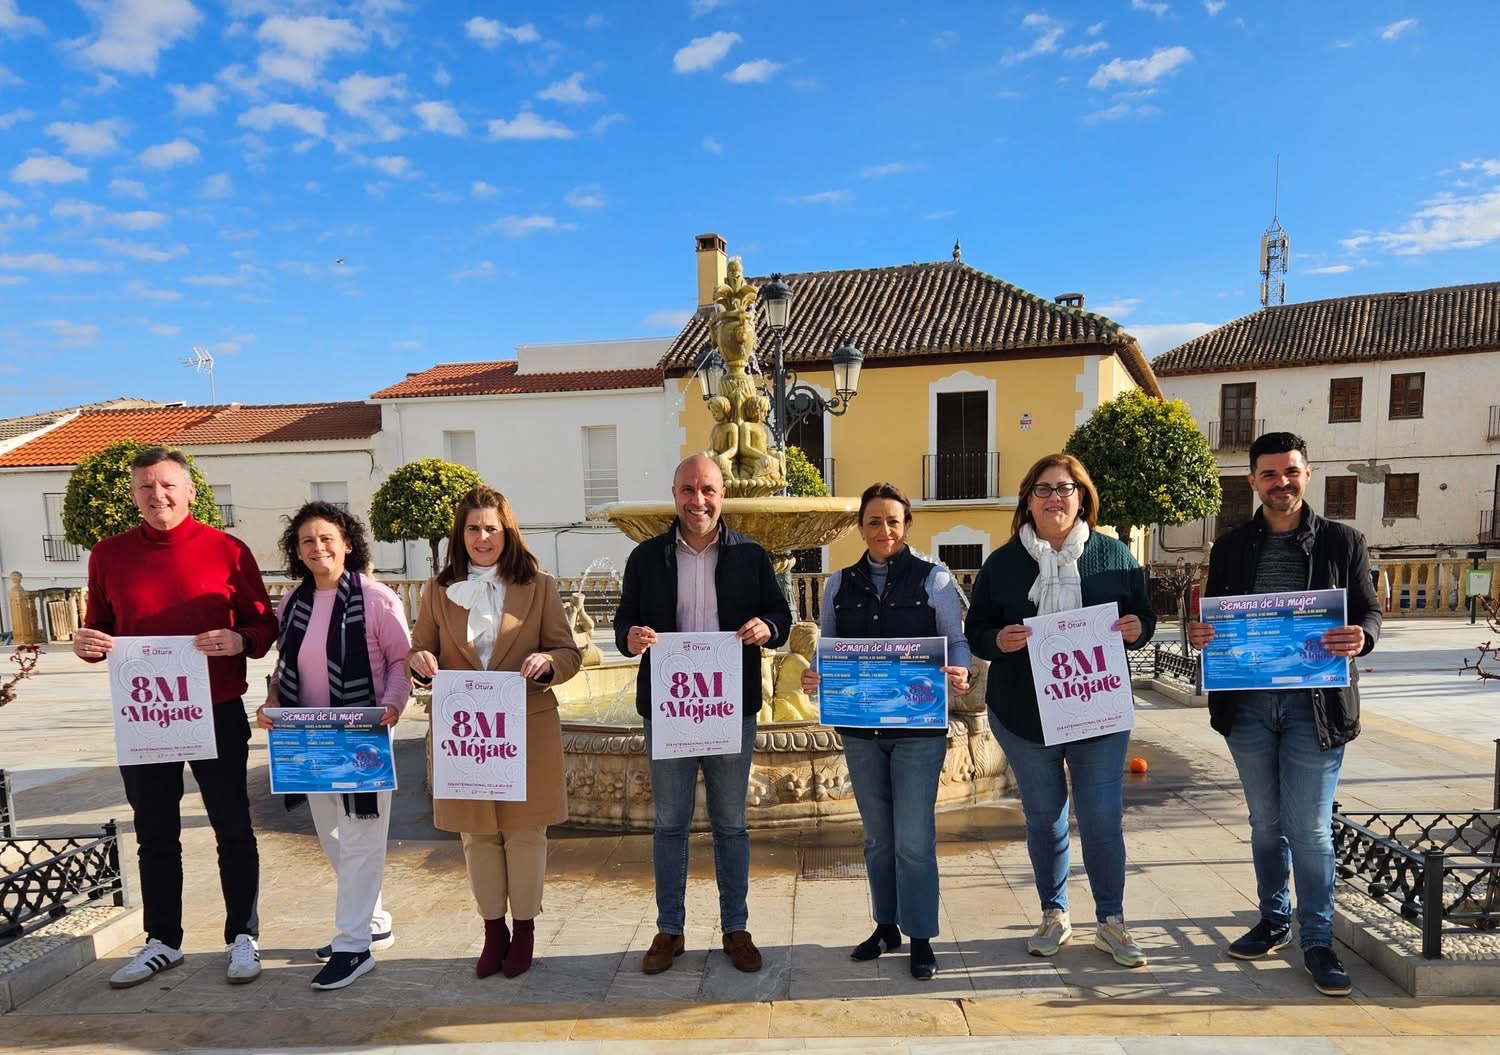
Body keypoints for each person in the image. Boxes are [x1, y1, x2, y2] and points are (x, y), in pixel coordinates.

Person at [72, 447, 278, 989]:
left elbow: (263, 625)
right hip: (145, 715)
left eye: (167, 485)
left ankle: (243, 936)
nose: (157, 495)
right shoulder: (109, 555)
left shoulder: (228, 550)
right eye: (146, 487)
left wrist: (240, 639)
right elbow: (100, 627)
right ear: (133, 495)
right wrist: (87, 644)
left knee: (233, 828)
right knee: (155, 832)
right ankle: (163, 940)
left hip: (216, 711)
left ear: (190, 490)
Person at [1186, 432, 1380, 997]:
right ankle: (1274, 920)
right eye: (1269, 474)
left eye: (1291, 471)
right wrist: (1200, 635)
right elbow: (1213, 620)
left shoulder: (1344, 541)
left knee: (1310, 829)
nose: (1281, 483)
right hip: (1247, 705)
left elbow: (1368, 610)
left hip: (1315, 707)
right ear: (1252, 481)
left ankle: (1317, 940)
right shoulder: (1230, 546)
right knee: (1265, 824)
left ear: (1307, 474)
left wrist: (1361, 637)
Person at [965, 453, 1155, 968]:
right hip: (1023, 714)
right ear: (1028, 500)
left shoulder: (1114, 556)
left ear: (1082, 497)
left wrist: (1138, 629)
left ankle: (1111, 921)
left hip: (1098, 712)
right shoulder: (1003, 563)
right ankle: (1054, 914)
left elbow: (1144, 614)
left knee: (1101, 819)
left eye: (1065, 488)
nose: (1055, 498)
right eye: (1044, 489)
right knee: (1044, 819)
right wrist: (997, 639)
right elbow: (976, 628)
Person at [614, 454, 792, 976]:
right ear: (675, 494)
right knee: (670, 824)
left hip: (729, 708)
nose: (699, 500)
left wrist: (767, 628)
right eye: (689, 490)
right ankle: (670, 929)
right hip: (669, 708)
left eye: (708, 490)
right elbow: (624, 620)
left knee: (731, 824)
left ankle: (736, 928)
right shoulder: (646, 558)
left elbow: (781, 615)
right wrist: (630, 636)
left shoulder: (750, 555)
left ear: (722, 495)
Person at [799, 483, 972, 980]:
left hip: (918, 731)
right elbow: (828, 645)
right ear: (861, 528)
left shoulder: (935, 579)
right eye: (874, 521)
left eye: (893, 521)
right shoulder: (839, 584)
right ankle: (886, 926)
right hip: (861, 731)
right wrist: (815, 673)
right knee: (877, 837)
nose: (884, 530)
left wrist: (960, 670)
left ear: (907, 525)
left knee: (913, 837)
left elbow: (956, 641)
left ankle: (921, 937)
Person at [408, 486, 581, 980]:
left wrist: (548, 661)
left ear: (507, 533)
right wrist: (420, 663)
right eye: (473, 528)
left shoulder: (539, 586)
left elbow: (569, 653)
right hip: (466, 733)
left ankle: (523, 930)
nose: (482, 537)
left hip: (526, 725)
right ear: (460, 535)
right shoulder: (437, 590)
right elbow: (417, 653)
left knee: (525, 833)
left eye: (491, 528)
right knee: (477, 834)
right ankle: (492, 931)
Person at [255, 502, 412, 990]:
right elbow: (284, 666)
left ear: (347, 543)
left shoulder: (377, 598)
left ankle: (352, 946)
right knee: (333, 837)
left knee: (362, 837)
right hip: (308, 737)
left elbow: (401, 661)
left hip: (363, 733)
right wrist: (272, 701)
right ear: (297, 550)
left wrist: (391, 706)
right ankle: (374, 920)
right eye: (307, 540)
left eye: (326, 538)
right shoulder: (293, 603)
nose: (317, 547)